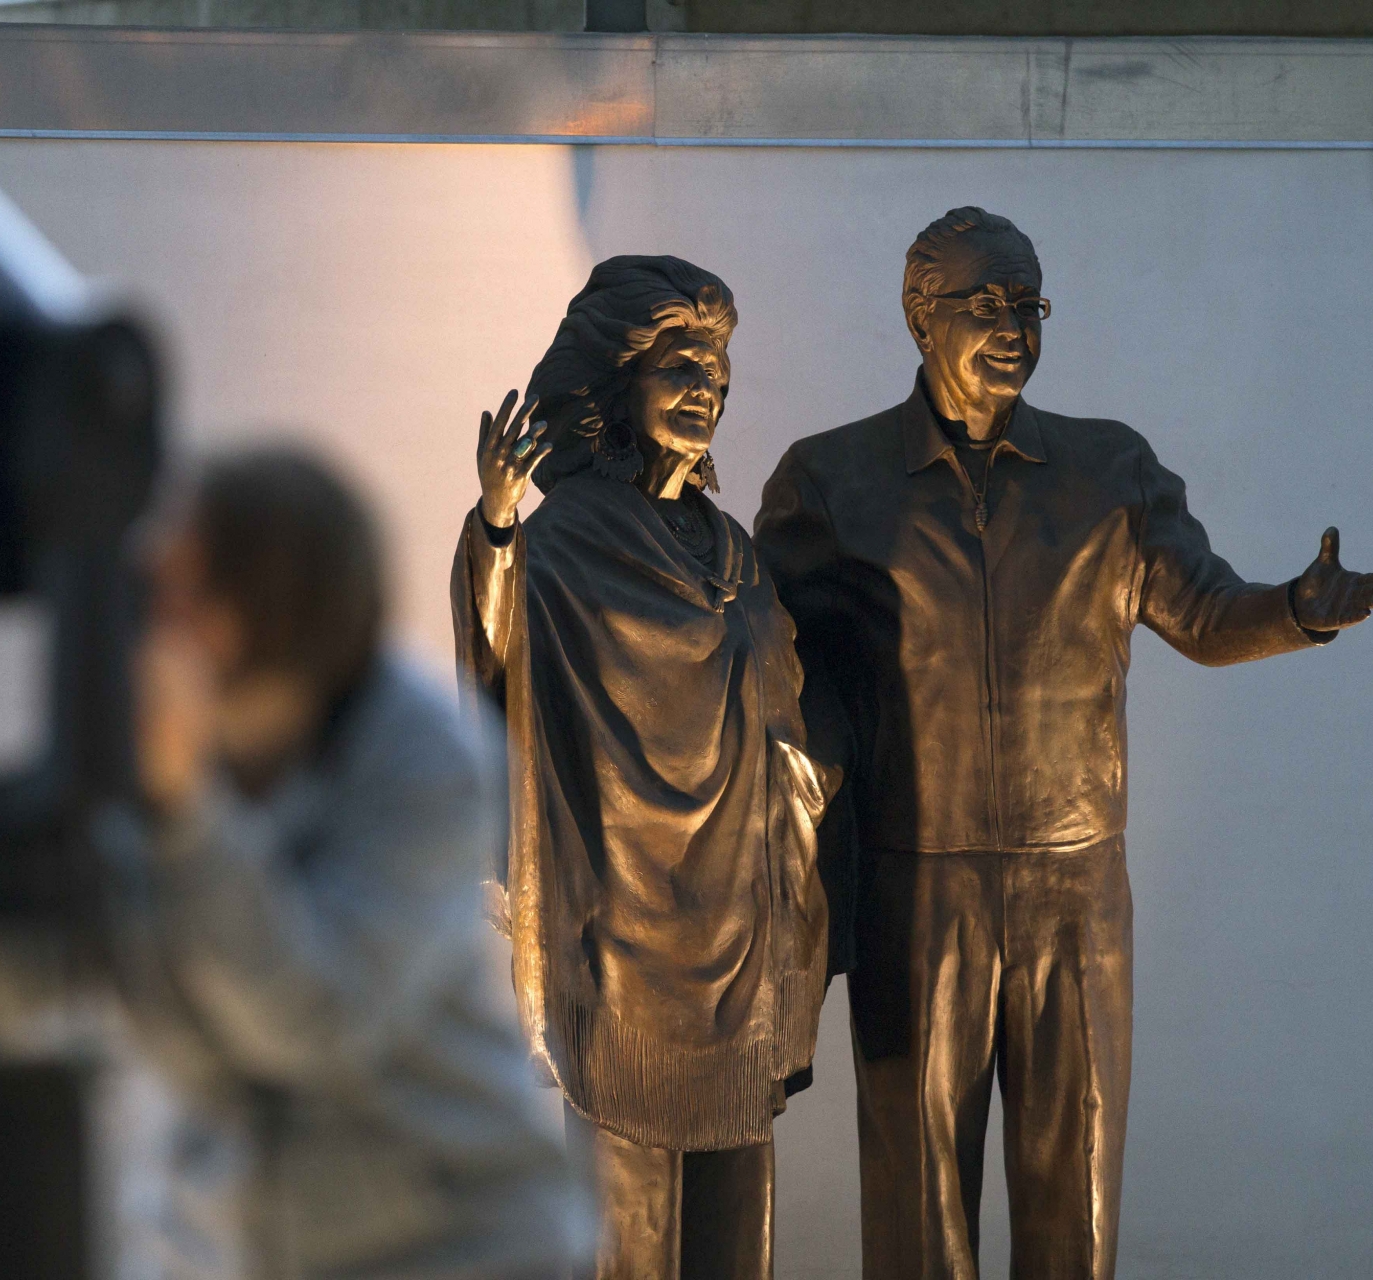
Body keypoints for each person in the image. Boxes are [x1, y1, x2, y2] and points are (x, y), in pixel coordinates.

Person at [753, 207, 1373, 1280]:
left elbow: (1203, 610)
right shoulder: (833, 480)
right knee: (918, 1209)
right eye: (984, 302)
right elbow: (765, 655)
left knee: (1076, 1195)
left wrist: (1297, 608)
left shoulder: (1108, 470)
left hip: (1076, 888)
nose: (1012, 325)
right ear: (919, 313)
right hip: (917, 891)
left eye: (1029, 303)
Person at [113, 447, 589, 1280]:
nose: (162, 616)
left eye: (188, 589)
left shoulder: (422, 750)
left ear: (265, 606)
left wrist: (184, 815)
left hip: (457, 1245)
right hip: (233, 1245)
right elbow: (10, 998)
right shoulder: (161, 746)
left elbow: (314, 1017)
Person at [452, 256, 834, 1280]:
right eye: (681, 363)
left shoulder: (737, 552)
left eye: (717, 365)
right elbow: (502, 656)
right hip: (622, 942)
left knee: (734, 1235)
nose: (708, 384)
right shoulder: (567, 542)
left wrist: (807, 795)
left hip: (739, 936)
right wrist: (494, 525)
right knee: (628, 1242)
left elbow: (783, 709)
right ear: (618, 385)